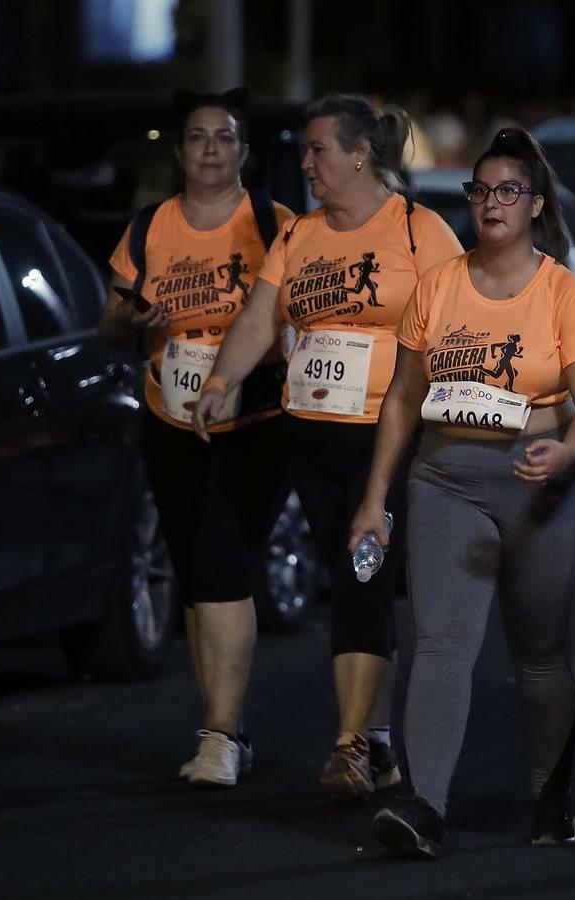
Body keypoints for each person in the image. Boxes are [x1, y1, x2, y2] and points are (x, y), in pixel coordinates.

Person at [349, 127, 575, 858]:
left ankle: (551, 793)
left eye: (507, 192)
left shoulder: (561, 290)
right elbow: (402, 400)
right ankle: (423, 806)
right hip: (444, 483)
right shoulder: (438, 286)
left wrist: (565, 450)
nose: (491, 204)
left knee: (538, 652)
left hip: (540, 489)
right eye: (480, 191)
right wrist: (376, 499)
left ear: (534, 205)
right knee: (440, 643)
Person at [192, 94, 463, 800]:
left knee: (361, 581)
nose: (306, 164)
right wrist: (223, 379)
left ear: (359, 154)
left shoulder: (418, 231)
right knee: (353, 587)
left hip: (388, 440)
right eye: (306, 152)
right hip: (309, 438)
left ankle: (349, 744)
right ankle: (376, 743)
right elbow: (259, 320)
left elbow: (461, 322)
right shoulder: (300, 237)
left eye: (318, 150)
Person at [99, 89, 294, 786]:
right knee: (198, 569)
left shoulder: (275, 224)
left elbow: (312, 309)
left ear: (243, 150)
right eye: (197, 137)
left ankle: (221, 734)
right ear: (179, 152)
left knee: (220, 561)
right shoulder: (150, 228)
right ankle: (221, 728)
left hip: (257, 420)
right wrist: (133, 317)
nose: (210, 148)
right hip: (171, 416)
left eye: (224, 137)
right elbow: (111, 324)